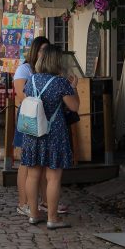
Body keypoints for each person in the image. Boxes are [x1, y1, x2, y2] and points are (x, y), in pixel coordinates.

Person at [21, 45, 79, 229]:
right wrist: (73, 88)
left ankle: (33, 214)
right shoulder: (60, 83)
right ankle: (52, 218)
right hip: (54, 134)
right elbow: (74, 107)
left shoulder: (31, 80)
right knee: (53, 177)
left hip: (33, 132)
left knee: (33, 175)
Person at [13, 36, 49, 216]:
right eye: (42, 50)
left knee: (40, 162)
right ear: (35, 51)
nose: (45, 53)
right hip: (28, 116)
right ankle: (23, 202)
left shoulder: (45, 69)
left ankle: (43, 201)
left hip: (43, 118)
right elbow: (21, 94)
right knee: (26, 163)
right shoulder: (25, 69)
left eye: (47, 50)